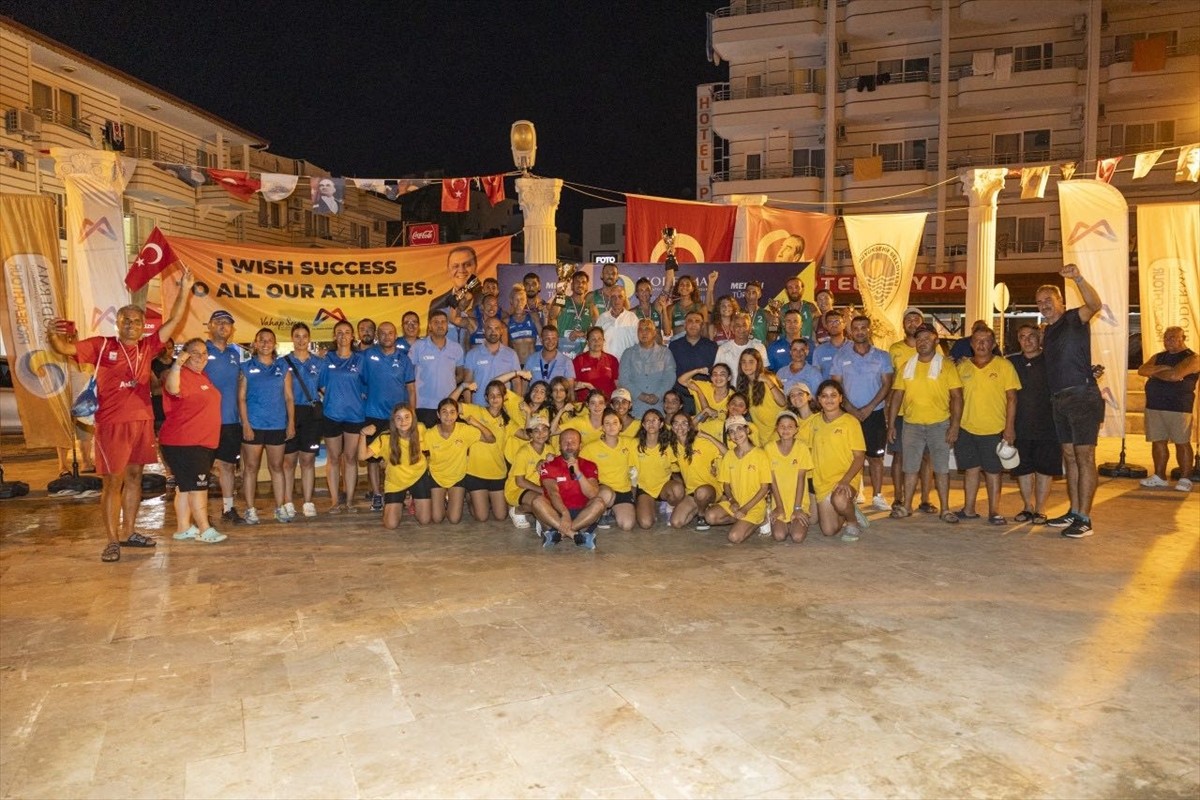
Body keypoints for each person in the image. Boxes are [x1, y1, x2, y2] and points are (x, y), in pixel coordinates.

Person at [47, 268, 195, 562]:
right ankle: (112, 540)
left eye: (137, 321)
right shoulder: (102, 346)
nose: (131, 325)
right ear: (118, 323)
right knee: (112, 482)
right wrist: (52, 334)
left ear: (142, 326)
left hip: (141, 422)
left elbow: (175, 320)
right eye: (126, 320)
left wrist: (185, 289)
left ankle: (129, 532)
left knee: (135, 478)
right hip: (112, 424)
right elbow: (64, 347)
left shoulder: (148, 347)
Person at [1037, 264, 1104, 538]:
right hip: (1059, 400)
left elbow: (1095, 303)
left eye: (1048, 300)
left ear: (1061, 302)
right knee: (1069, 456)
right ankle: (1074, 511)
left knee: (1084, 456)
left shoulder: (1075, 317)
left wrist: (1078, 277)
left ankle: (1085, 519)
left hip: (1082, 397)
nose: (1044, 305)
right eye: (1039, 302)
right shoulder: (1048, 331)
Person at [886, 324, 963, 524]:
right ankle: (907, 506)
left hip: (940, 425)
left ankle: (945, 509)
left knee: (941, 469)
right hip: (912, 425)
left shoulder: (946, 366)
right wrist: (892, 424)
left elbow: (957, 397)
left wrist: (955, 425)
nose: (922, 342)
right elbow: (897, 396)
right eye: (919, 339)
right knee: (909, 468)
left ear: (936, 340)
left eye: (927, 338)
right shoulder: (906, 366)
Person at [160, 337, 225, 544]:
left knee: (185, 488)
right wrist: (177, 365)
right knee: (198, 487)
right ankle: (205, 528)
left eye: (204, 353)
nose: (201, 357)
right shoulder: (180, 375)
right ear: (185, 355)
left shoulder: (202, 376)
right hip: (186, 442)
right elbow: (172, 388)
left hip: (198, 442)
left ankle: (183, 528)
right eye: (195, 353)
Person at [954, 325, 1020, 525]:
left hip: (994, 428)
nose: (981, 344)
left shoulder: (1004, 366)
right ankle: (969, 509)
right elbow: (954, 398)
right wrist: (954, 425)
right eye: (977, 341)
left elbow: (1012, 399)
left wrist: (1009, 427)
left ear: (993, 344)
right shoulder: (962, 367)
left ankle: (994, 511)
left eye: (986, 341)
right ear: (971, 344)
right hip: (966, 428)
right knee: (971, 469)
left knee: (993, 471)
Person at [830, 315, 894, 512]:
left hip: (874, 413)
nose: (859, 331)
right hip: (848, 414)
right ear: (851, 332)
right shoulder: (841, 356)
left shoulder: (882, 356)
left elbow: (887, 384)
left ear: (869, 330)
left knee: (875, 457)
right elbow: (836, 385)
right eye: (855, 328)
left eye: (863, 328)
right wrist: (851, 409)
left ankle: (877, 495)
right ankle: (856, 492)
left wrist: (868, 408)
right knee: (851, 456)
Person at [237, 328, 295, 524]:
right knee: (251, 468)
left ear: (275, 344)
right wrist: (245, 424)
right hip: (253, 425)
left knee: (277, 467)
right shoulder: (246, 367)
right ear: (254, 343)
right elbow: (241, 398)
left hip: (277, 424)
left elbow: (289, 397)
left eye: (269, 340)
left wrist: (291, 423)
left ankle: (280, 508)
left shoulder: (283, 367)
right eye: (261, 340)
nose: (265, 343)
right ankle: (250, 509)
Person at [1008, 323, 1063, 524]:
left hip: (1048, 427)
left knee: (1044, 471)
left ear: (1039, 338)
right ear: (1018, 340)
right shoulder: (1011, 362)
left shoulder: (1052, 361)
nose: (1027, 340)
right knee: (1022, 469)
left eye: (1032, 336)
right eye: (1022, 336)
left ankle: (1040, 509)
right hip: (1019, 427)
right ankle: (1027, 507)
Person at [361, 321, 416, 512]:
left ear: (395, 335)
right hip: (373, 414)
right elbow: (359, 381)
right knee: (373, 459)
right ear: (377, 336)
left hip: (398, 417)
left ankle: (403, 492)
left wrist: (412, 414)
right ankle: (377, 494)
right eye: (382, 333)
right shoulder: (368, 356)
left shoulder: (404, 359)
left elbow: (411, 388)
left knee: (400, 455)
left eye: (390, 333)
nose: (386, 336)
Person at [1137, 325, 1199, 492]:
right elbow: (1142, 370)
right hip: (1154, 405)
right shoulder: (1159, 356)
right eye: (1166, 338)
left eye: (1173, 337)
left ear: (1183, 338)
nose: (1168, 341)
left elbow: (1175, 376)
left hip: (1178, 406)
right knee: (1158, 441)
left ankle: (1185, 478)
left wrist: (1155, 372)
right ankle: (1159, 476)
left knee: (1182, 442)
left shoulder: (1192, 358)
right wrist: (1162, 369)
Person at [888, 308, 936, 515]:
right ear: (903, 324)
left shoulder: (936, 349)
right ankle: (898, 497)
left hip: (927, 411)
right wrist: (888, 414)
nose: (912, 322)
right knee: (899, 456)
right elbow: (891, 383)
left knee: (927, 457)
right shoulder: (894, 349)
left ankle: (925, 499)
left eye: (917, 318)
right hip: (900, 413)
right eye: (908, 318)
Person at [808, 380, 868, 542]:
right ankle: (850, 509)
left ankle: (852, 522)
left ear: (841, 398)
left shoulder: (851, 422)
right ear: (818, 399)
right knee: (829, 531)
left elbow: (859, 457)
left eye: (833, 395)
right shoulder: (814, 422)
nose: (829, 400)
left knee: (840, 499)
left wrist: (845, 481)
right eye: (824, 396)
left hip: (845, 478)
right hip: (822, 481)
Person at [422, 396, 496, 524]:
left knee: (454, 519)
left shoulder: (464, 430)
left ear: (457, 414)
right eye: (444, 412)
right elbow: (415, 450)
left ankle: (465, 496)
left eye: (452, 412)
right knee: (437, 518)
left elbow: (491, 439)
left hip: (458, 476)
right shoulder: (429, 434)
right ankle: (444, 499)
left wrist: (476, 423)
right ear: (438, 414)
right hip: (436, 476)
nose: (448, 416)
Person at [203, 309, 246, 525]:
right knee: (202, 469)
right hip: (205, 422)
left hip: (230, 420)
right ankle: (200, 514)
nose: (222, 326)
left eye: (227, 323)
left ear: (232, 329)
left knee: (228, 466)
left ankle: (228, 509)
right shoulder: (200, 350)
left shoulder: (234, 354)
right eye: (218, 322)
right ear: (209, 326)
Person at [319, 320, 366, 514]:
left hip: (354, 415)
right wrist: (335, 398)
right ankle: (334, 501)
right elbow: (321, 386)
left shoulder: (360, 359)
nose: (343, 336)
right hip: (332, 414)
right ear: (334, 336)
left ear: (353, 336)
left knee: (350, 458)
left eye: (347, 332)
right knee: (334, 458)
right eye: (339, 332)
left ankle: (349, 501)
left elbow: (366, 385)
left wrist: (354, 396)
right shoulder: (326, 359)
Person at [703, 415, 772, 544]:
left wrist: (745, 509)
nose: (736, 434)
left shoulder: (760, 455)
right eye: (731, 431)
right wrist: (732, 501)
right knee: (710, 517)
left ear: (747, 430)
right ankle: (741, 520)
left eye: (740, 429)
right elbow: (726, 485)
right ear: (729, 436)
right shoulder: (729, 455)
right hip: (735, 504)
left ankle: (762, 519)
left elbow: (764, 488)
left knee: (734, 537)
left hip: (754, 505)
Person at [531, 428, 605, 549]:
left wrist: (577, 471)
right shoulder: (549, 465)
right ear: (559, 445)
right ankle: (575, 535)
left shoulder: (590, 465)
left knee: (600, 503)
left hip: (582, 514)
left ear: (580, 446)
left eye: (573, 442)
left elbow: (592, 494)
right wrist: (564, 513)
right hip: (557, 512)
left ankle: (558, 534)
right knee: (537, 501)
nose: (569, 445)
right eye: (565, 442)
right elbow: (552, 492)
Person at [359, 405, 428, 530]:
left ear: (413, 418)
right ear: (393, 421)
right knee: (391, 525)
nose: (403, 422)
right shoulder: (385, 438)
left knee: (425, 520)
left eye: (407, 417)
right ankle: (397, 502)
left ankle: (412, 499)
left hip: (418, 476)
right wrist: (363, 434)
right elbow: (362, 456)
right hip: (395, 481)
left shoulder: (421, 429)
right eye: (399, 418)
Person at [282, 322, 324, 519]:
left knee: (307, 460)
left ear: (309, 339)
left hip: (311, 415)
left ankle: (308, 502)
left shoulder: (319, 363)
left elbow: (326, 388)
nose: (301, 340)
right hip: (289, 414)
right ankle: (288, 502)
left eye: (304, 336)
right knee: (289, 461)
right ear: (292, 338)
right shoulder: (283, 363)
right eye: (297, 336)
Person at [455, 380, 512, 523]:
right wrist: (462, 387)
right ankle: (470, 498)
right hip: (475, 472)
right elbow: (449, 404)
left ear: (504, 397)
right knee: (482, 517)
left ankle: (485, 499)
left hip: (497, 472)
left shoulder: (508, 420)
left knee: (501, 516)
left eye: (498, 395)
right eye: (491, 395)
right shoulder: (475, 410)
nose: (494, 398)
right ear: (486, 397)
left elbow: (526, 434)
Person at [581, 408, 639, 531]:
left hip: (623, 490)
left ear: (620, 426)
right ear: (602, 427)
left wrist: (633, 491)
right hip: (602, 489)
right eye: (607, 423)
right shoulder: (590, 448)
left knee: (627, 525)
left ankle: (611, 510)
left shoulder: (630, 443)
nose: (611, 426)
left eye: (615, 423)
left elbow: (633, 470)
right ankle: (601, 513)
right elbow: (577, 467)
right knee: (607, 494)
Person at [666, 411, 725, 530]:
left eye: (684, 423)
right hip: (691, 491)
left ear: (689, 427)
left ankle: (702, 514)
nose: (680, 427)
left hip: (710, 488)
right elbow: (672, 468)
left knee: (701, 492)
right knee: (676, 523)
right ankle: (701, 506)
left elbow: (727, 454)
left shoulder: (701, 442)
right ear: (672, 427)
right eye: (676, 423)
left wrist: (709, 437)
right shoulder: (673, 447)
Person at [410, 310, 466, 427]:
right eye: (436, 322)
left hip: (448, 406)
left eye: (443, 322)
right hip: (424, 406)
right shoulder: (418, 347)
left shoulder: (456, 348)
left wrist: (448, 385)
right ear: (430, 326)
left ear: (447, 325)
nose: (440, 325)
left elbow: (460, 375)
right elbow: (409, 376)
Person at [764, 410, 813, 543]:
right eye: (782, 426)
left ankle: (796, 520)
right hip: (779, 501)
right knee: (779, 536)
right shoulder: (769, 448)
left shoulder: (802, 448)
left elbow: (801, 479)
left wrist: (797, 508)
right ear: (777, 429)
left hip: (798, 502)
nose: (786, 430)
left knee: (797, 537)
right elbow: (772, 480)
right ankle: (778, 520)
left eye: (790, 426)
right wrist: (779, 506)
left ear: (796, 429)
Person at [632, 409, 685, 529]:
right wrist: (632, 498)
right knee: (646, 524)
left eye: (655, 420)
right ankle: (648, 506)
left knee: (678, 489)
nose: (651, 423)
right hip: (644, 488)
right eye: (648, 421)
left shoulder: (669, 445)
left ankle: (669, 505)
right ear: (643, 425)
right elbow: (632, 473)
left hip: (663, 486)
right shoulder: (634, 444)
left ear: (661, 424)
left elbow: (678, 468)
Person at [505, 413, 556, 530]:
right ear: (530, 434)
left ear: (549, 432)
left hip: (537, 488)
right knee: (542, 501)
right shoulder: (523, 452)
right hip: (517, 488)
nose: (541, 434)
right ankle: (517, 511)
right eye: (536, 431)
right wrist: (543, 491)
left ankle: (542, 516)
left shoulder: (550, 449)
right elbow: (520, 482)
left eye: (544, 430)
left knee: (556, 499)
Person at [619, 318, 677, 419]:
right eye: (640, 330)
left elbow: (670, 377)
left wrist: (658, 396)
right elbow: (624, 379)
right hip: (635, 408)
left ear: (654, 333)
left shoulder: (665, 353)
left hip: (659, 407)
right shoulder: (628, 353)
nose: (644, 333)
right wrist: (641, 396)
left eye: (647, 329)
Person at [668, 310, 718, 415]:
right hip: (681, 396)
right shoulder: (674, 346)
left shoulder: (712, 347)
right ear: (685, 325)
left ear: (702, 326)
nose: (693, 324)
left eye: (697, 321)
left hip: (704, 395)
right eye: (690, 321)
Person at [464, 316, 525, 399]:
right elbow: (467, 383)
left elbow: (516, 383)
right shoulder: (472, 354)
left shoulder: (511, 354)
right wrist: (468, 408)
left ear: (501, 331)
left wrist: (517, 405)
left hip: (504, 407)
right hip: (479, 407)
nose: (493, 332)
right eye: (489, 328)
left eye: (497, 328)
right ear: (483, 331)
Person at [427, 245, 479, 320]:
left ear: (476, 267)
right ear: (448, 270)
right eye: (455, 266)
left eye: (467, 265)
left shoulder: (487, 298)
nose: (461, 270)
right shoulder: (437, 304)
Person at [550, 270, 593, 356]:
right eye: (577, 282)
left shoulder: (591, 306)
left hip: (581, 352)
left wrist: (583, 334)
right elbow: (552, 316)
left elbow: (596, 330)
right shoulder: (563, 299)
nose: (580, 284)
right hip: (562, 349)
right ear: (572, 285)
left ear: (587, 287)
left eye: (583, 282)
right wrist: (560, 293)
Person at [714, 312, 768, 377]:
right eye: (737, 325)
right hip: (731, 387)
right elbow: (717, 373)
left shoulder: (759, 348)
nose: (741, 328)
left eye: (744, 325)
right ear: (732, 329)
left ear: (750, 328)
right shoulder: (723, 349)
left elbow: (764, 372)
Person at [572, 327, 619, 402]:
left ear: (603, 341)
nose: (597, 342)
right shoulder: (578, 360)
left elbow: (618, 385)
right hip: (585, 406)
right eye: (593, 339)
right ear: (587, 342)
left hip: (607, 406)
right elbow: (571, 385)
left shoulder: (612, 360)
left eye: (599, 339)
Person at [595, 285, 640, 360]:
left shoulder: (632, 318)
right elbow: (594, 340)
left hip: (627, 364)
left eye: (620, 296)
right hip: (607, 365)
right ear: (609, 298)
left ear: (625, 298)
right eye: (613, 297)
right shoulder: (602, 318)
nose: (617, 300)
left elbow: (639, 343)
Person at [525, 324, 575, 391]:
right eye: (547, 338)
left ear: (557, 340)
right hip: (536, 399)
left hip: (556, 400)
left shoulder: (566, 361)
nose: (550, 341)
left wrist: (572, 401)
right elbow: (524, 384)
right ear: (541, 340)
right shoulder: (531, 359)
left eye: (553, 338)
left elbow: (570, 388)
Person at [504, 282, 541, 365]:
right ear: (511, 301)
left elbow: (543, 338)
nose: (519, 302)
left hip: (533, 364)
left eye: (522, 299)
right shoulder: (506, 321)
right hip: (516, 365)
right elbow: (504, 347)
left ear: (526, 301)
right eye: (516, 299)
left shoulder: (533, 316)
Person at [666, 273, 709, 342]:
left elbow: (705, 331)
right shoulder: (671, 308)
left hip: (696, 343)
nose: (684, 287)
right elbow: (667, 332)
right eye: (681, 285)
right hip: (678, 343)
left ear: (692, 289)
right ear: (677, 289)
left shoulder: (701, 307)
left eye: (688, 285)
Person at [811, 309, 847, 379]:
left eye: (837, 321)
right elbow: (816, 377)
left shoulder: (853, 347)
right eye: (830, 322)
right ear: (826, 326)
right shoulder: (819, 351)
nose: (833, 325)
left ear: (844, 325)